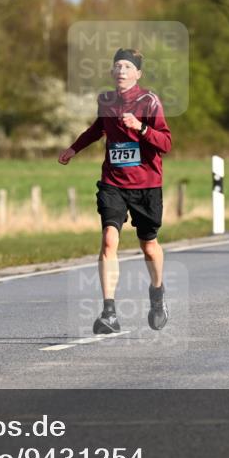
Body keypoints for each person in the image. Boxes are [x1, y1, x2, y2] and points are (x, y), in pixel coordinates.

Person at [58, 48, 172, 334]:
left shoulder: (150, 101)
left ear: (137, 74)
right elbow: (98, 129)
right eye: (117, 66)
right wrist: (74, 148)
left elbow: (166, 144)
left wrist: (141, 128)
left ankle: (157, 294)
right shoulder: (106, 100)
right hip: (113, 182)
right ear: (112, 72)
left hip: (146, 184)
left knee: (149, 245)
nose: (121, 70)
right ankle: (109, 312)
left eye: (127, 67)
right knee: (109, 240)